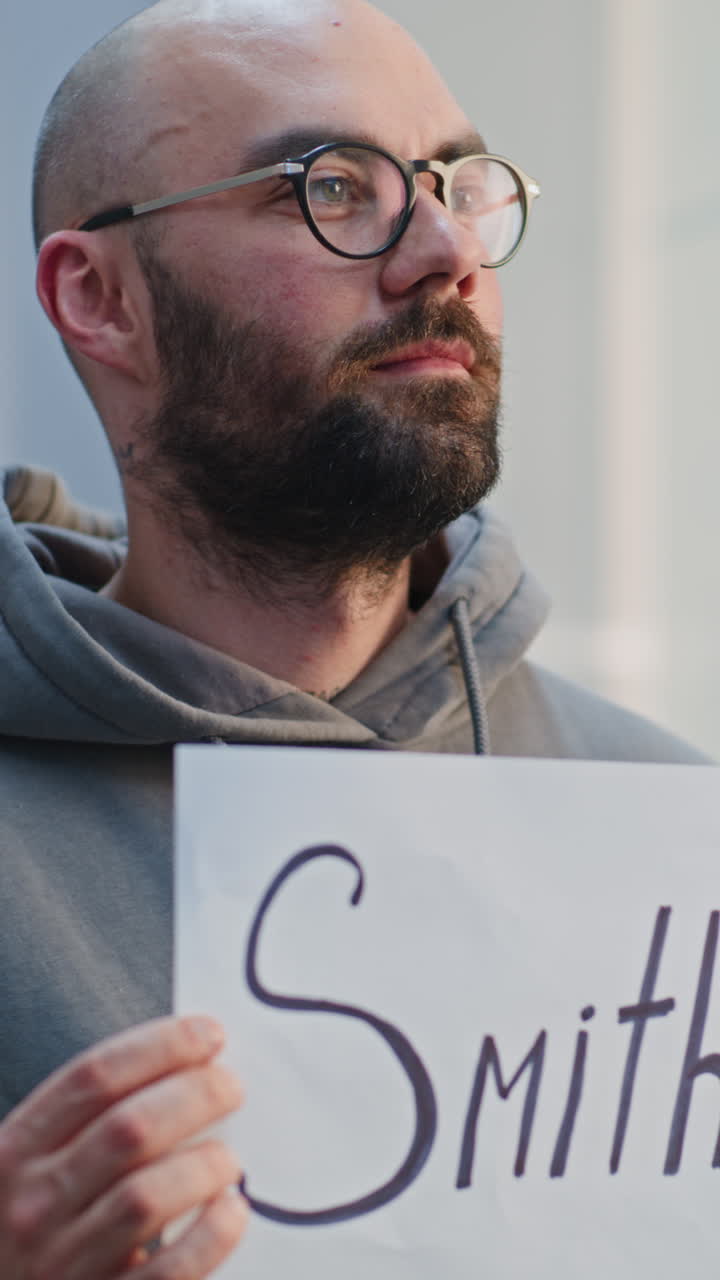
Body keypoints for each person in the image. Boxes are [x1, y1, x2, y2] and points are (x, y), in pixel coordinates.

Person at [0, 0, 708, 1273]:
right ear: (100, 299)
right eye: (327, 187)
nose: (443, 249)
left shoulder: (673, 826)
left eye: (457, 183)